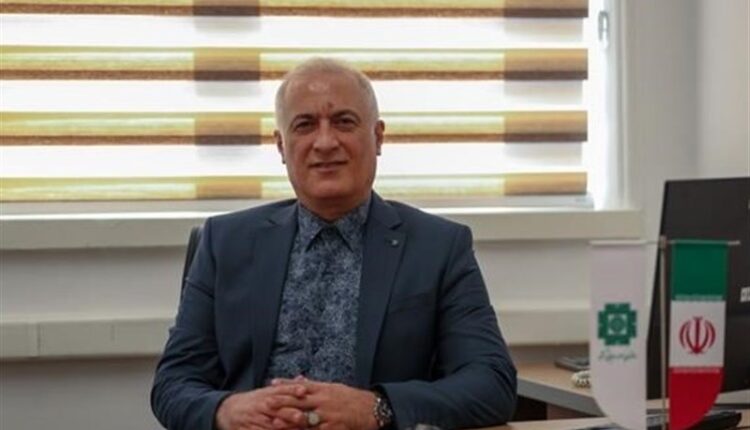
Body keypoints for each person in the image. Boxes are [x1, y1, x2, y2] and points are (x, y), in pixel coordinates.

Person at [151, 57, 517, 430]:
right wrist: (227, 411)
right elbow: (173, 384)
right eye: (305, 125)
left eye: (344, 122)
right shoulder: (225, 242)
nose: (325, 142)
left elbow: (492, 384)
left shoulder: (438, 247)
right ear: (281, 146)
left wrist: (376, 408)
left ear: (378, 137)